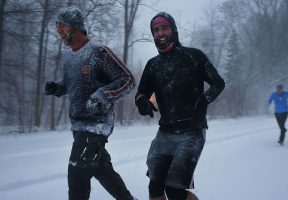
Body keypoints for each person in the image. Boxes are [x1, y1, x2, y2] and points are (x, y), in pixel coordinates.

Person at [43, 6, 137, 200]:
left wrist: (101, 96)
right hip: (78, 124)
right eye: (57, 26)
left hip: (98, 124)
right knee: (101, 168)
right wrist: (58, 88)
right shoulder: (68, 57)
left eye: (62, 25)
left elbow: (127, 79)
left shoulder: (98, 52)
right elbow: (73, 86)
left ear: (76, 26)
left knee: (77, 172)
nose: (58, 30)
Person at [135, 12, 225, 200]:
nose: (159, 32)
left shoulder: (194, 57)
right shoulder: (153, 65)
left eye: (164, 27)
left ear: (173, 30)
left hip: (192, 132)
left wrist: (205, 99)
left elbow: (218, 83)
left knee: (175, 190)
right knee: (155, 187)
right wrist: (142, 101)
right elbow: (141, 92)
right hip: (165, 133)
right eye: (155, 30)